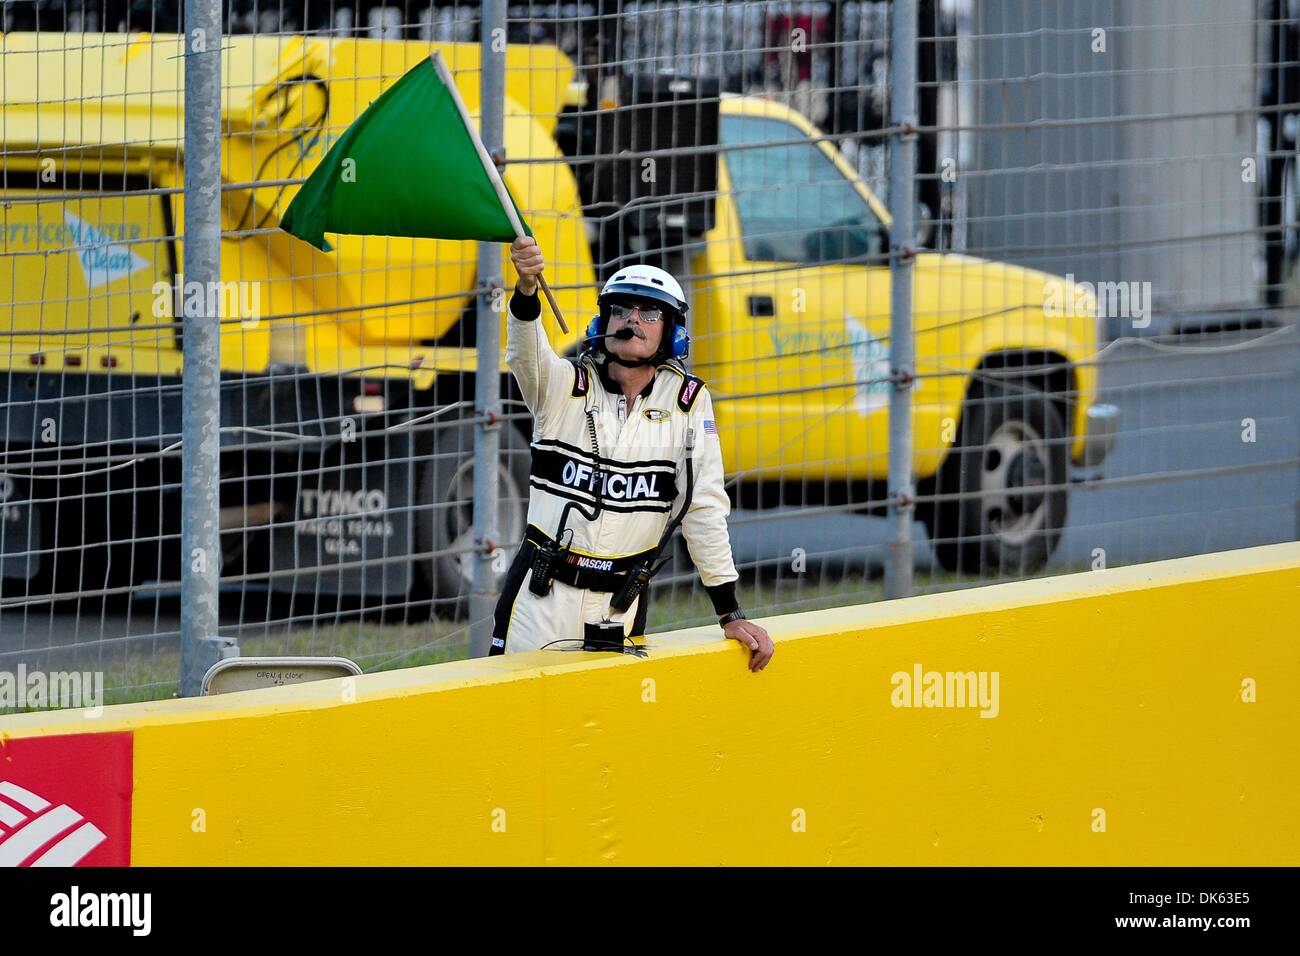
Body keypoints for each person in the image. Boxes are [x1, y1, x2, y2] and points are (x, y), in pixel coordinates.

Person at [490, 236, 775, 672]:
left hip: (620, 607)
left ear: (673, 331)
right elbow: (525, 355)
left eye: (650, 313)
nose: (633, 320)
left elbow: (703, 509)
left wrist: (730, 613)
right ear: (603, 321)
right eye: (621, 309)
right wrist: (527, 290)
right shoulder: (562, 386)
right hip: (538, 601)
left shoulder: (689, 402)